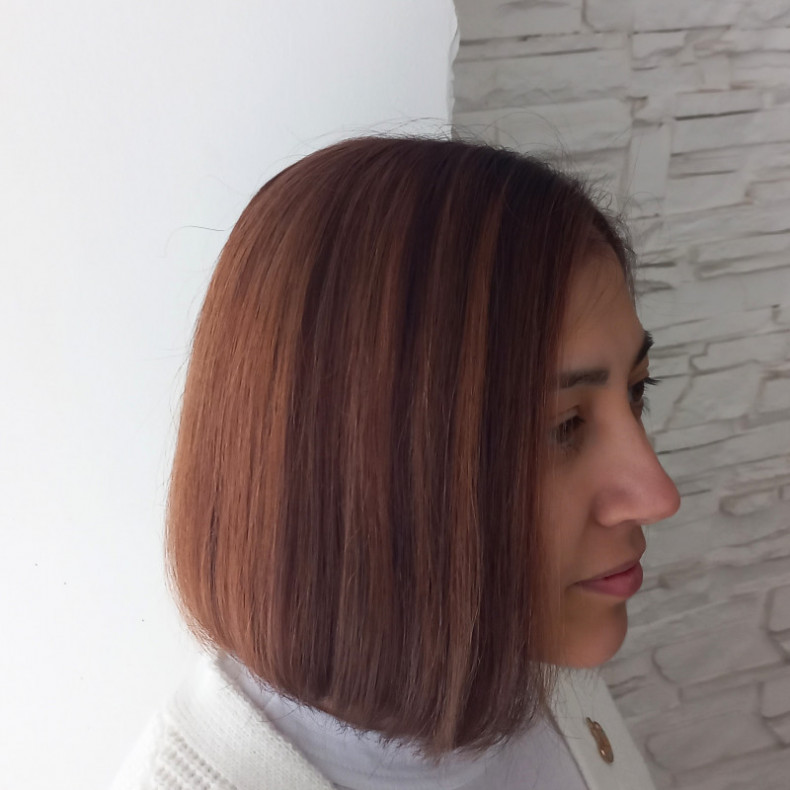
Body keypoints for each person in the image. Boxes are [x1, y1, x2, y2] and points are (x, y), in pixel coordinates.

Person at [111, 136, 680, 790]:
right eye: (562, 427)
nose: (657, 494)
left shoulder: (525, 666)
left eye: (637, 391)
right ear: (355, 469)